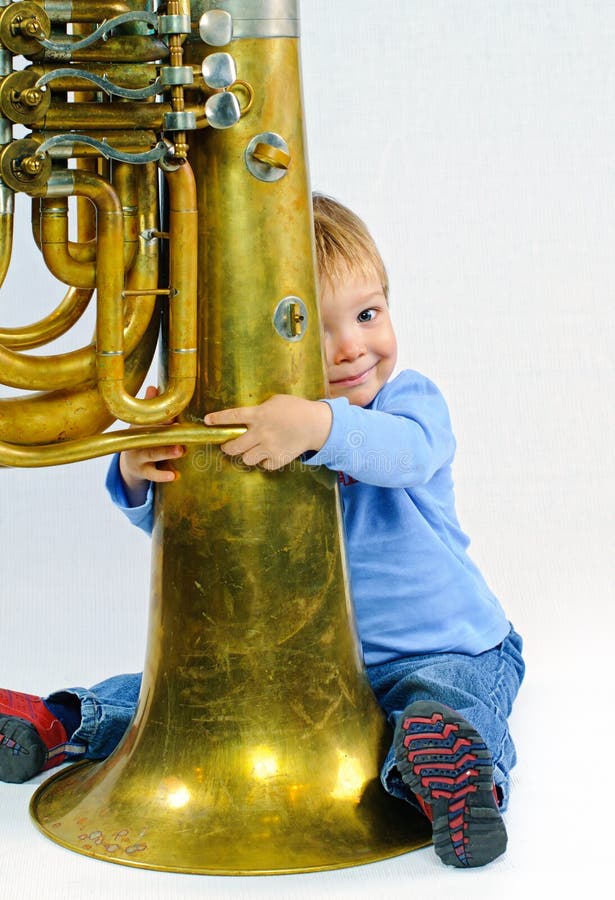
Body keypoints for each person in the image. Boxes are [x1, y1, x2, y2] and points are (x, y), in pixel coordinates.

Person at [0, 194, 524, 869]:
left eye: (367, 314)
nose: (351, 348)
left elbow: (410, 454)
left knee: (448, 701)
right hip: (306, 674)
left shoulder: (404, 403)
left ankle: (454, 783)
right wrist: (138, 470)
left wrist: (320, 428)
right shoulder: (262, 423)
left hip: (448, 646)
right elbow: (197, 533)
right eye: (315, 329)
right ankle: (59, 724)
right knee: (171, 698)